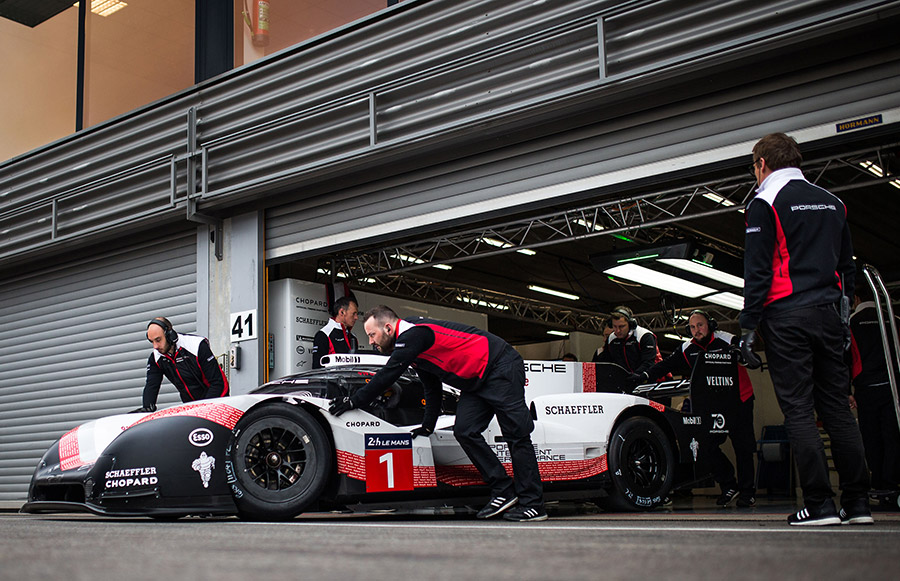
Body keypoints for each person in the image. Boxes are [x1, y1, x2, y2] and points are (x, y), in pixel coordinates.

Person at [739, 132, 871, 526]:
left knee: (798, 409)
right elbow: (847, 270)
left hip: (787, 318)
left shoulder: (764, 202)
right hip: (830, 315)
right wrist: (843, 319)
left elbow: (758, 271)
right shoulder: (833, 203)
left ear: (762, 163)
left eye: (753, 165)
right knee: (837, 410)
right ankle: (858, 504)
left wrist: (748, 327)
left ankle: (819, 505)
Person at [328, 305, 547, 522]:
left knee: (516, 434)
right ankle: (503, 490)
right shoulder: (413, 344)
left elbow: (388, 374)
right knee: (465, 431)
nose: (371, 342)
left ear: (388, 328)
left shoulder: (413, 335)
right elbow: (431, 385)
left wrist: (353, 400)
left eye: (372, 335)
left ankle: (533, 504)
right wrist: (427, 425)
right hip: (476, 380)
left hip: (500, 365)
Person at [633, 310, 757, 507]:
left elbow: (750, 357)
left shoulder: (728, 339)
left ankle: (747, 493)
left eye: (700, 325)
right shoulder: (686, 348)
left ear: (710, 324)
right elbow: (665, 365)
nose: (696, 330)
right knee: (705, 446)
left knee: (743, 447)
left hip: (739, 401)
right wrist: (644, 376)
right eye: (692, 327)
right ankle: (729, 485)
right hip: (711, 405)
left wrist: (743, 355)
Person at [849, 287, 900, 496]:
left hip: (865, 388)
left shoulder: (852, 322)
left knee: (871, 437)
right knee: (893, 436)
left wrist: (846, 390)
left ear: (856, 298)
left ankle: (877, 481)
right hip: (893, 386)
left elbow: (847, 358)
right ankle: (892, 481)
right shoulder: (894, 319)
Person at [141, 317, 229, 412]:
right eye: (152, 341)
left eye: (158, 340)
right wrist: (147, 408)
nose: (155, 346)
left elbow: (219, 383)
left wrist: (205, 409)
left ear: (170, 335)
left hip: (217, 403)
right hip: (191, 408)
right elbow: (152, 386)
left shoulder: (196, 346)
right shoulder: (156, 357)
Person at [592, 306, 664, 378]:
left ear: (631, 324)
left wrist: (635, 377)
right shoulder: (612, 338)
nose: (617, 331)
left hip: (655, 379)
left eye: (621, 326)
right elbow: (607, 362)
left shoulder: (645, 336)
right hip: (630, 380)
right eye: (615, 326)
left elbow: (648, 363)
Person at [312, 296, 359, 369]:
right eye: (354, 314)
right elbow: (317, 368)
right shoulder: (323, 334)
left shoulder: (352, 337)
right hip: (330, 379)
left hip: (350, 380)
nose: (356, 317)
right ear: (342, 312)